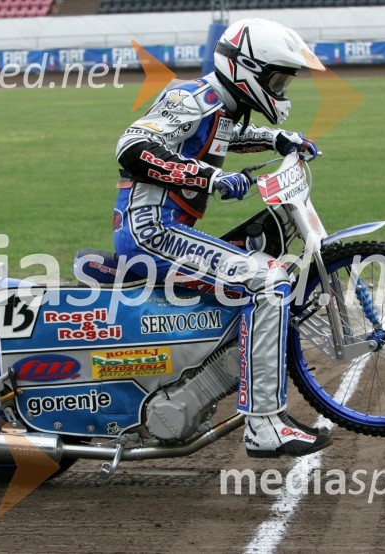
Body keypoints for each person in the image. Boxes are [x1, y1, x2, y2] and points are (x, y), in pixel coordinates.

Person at [113, 18, 332, 458]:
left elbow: (230, 135)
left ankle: (221, 378)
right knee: (269, 280)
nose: (282, 88)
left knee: (266, 260)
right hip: (150, 232)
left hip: (169, 231)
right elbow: (131, 147)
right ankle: (264, 426)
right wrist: (209, 177)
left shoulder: (221, 106)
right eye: (276, 78)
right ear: (247, 69)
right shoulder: (189, 97)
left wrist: (278, 138)